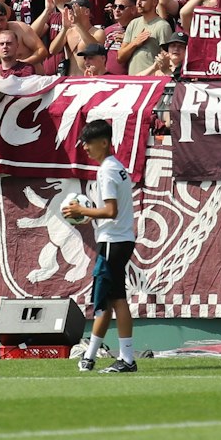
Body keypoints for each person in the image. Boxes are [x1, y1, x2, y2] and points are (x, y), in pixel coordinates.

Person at [63, 119, 140, 374]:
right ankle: (90, 357)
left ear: (104, 142)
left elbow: (110, 210)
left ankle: (127, 359)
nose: (85, 147)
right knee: (105, 301)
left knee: (116, 300)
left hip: (113, 242)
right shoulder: (116, 167)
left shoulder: (107, 170)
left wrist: (81, 210)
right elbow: (112, 211)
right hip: (119, 239)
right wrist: (88, 216)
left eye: (89, 142)